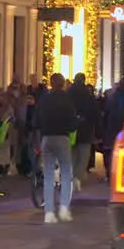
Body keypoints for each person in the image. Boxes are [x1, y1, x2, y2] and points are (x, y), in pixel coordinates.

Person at [36, 73, 78, 223]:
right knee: (66, 173)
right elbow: (73, 122)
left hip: (47, 137)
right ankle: (64, 208)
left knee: (48, 175)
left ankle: (49, 212)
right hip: (62, 137)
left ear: (51, 83)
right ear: (63, 84)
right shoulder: (67, 100)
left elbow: (37, 119)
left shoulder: (44, 99)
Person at [68, 73, 98, 188]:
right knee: (83, 156)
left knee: (72, 154)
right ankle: (77, 176)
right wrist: (98, 130)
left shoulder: (68, 93)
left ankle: (72, 176)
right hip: (86, 130)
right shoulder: (88, 95)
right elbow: (94, 113)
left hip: (71, 129)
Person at [103, 76, 124, 174]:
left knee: (112, 150)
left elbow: (107, 111)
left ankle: (111, 172)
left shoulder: (114, 96)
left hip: (113, 126)